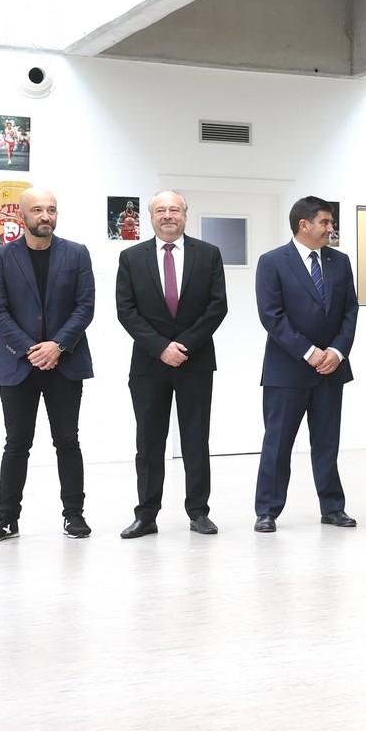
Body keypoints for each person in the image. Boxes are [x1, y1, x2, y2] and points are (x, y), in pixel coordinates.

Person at [0, 188, 96, 543]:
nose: (46, 216)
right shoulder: (0, 256)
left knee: (67, 441)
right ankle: (7, 518)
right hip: (17, 364)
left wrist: (57, 345)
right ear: (23, 216)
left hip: (66, 362)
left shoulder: (76, 254)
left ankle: (74, 515)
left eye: (52, 210)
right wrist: (32, 349)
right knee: (16, 444)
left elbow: (84, 306)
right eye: (38, 210)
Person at [113, 190, 228, 537]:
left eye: (174, 209)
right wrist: (161, 347)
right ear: (151, 217)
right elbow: (126, 310)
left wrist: (184, 345)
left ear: (185, 215)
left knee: (196, 439)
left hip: (195, 362)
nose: (168, 215)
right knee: (149, 443)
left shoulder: (208, 255)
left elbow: (217, 306)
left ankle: (198, 512)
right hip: (149, 364)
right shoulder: (131, 257)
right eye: (161, 210)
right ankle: (146, 515)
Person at [252, 196, 358, 532]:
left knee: (327, 443)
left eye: (330, 223)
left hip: (331, 369)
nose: (331, 228)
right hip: (287, 371)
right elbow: (272, 316)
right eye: (325, 222)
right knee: (278, 443)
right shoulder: (272, 262)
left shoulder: (339, 262)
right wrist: (310, 351)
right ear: (304, 225)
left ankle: (332, 507)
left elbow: (349, 311)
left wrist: (337, 352)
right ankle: (267, 510)